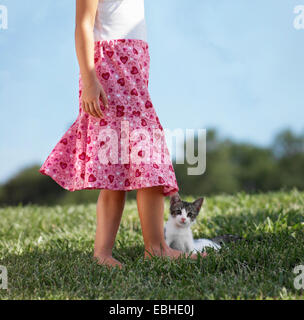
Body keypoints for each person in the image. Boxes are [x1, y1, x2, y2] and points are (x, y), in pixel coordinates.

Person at [40, 0, 207, 269]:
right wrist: (90, 80)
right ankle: (145, 250)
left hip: (133, 69)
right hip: (109, 71)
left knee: (122, 165)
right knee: (140, 161)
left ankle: (126, 251)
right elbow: (83, 24)